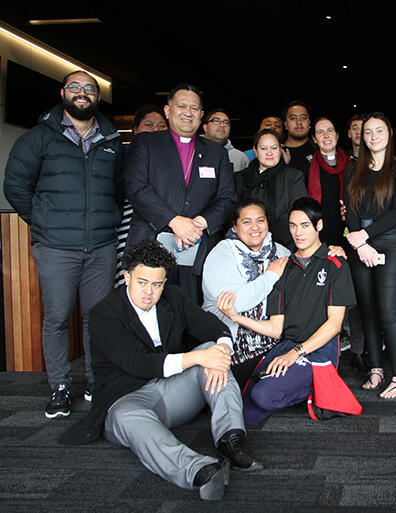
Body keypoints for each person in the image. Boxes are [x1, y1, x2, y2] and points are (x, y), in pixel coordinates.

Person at [59, 240, 262, 501]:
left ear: (164, 283)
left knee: (214, 351)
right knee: (128, 417)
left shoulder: (173, 297)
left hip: (172, 393)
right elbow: (138, 362)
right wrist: (197, 357)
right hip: (125, 399)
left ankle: (231, 441)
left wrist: (221, 348)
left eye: (157, 285)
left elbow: (211, 325)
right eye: (142, 282)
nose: (149, 293)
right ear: (127, 277)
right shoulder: (104, 314)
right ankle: (200, 470)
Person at [4, 70, 122, 417]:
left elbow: (117, 188)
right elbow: (15, 187)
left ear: (97, 97)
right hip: (56, 247)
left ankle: (94, 381)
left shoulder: (111, 138)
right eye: (76, 87)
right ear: (63, 92)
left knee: (95, 319)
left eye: (90, 89)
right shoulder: (39, 137)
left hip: (101, 245)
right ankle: (58, 386)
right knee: (56, 317)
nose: (82, 93)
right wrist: (43, 223)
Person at [216, 197, 360, 424]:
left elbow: (334, 325)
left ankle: (314, 389)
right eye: (293, 226)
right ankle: (289, 383)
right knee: (244, 414)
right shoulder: (284, 268)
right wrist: (236, 317)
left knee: (263, 395)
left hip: (318, 353)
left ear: (318, 225)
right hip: (286, 347)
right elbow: (275, 329)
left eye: (304, 225)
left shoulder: (335, 264)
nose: (298, 233)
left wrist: (297, 353)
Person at [123, 82, 236, 304]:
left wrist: (198, 224)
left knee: (192, 313)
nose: (188, 113)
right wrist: (175, 221)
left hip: (197, 248)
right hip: (150, 242)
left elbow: (227, 197)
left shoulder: (216, 153)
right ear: (168, 110)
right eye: (182, 106)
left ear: (201, 115)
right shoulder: (146, 143)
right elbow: (136, 187)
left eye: (194, 108)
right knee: (148, 317)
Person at [344, 113, 396, 399]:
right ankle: (376, 369)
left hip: (391, 241)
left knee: (387, 310)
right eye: (367, 132)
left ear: (389, 134)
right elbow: (351, 208)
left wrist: (366, 238)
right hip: (360, 243)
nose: (373, 136)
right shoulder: (353, 169)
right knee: (367, 310)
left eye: (379, 130)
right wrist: (360, 244)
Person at [202, 199, 291, 388]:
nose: (255, 227)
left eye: (260, 220)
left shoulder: (281, 252)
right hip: (232, 345)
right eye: (246, 221)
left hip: (276, 341)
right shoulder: (222, 253)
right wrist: (270, 276)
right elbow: (235, 304)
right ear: (235, 226)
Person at [116, 105, 169, 288]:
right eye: (149, 124)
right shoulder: (123, 155)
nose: (155, 129)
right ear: (135, 130)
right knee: (129, 279)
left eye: (162, 125)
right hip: (129, 223)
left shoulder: (173, 161)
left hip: (163, 226)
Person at [233, 129, 308, 248]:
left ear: (280, 149)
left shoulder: (293, 177)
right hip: (244, 245)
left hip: (284, 245)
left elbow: (300, 215)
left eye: (274, 148)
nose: (269, 153)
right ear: (255, 150)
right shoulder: (240, 178)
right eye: (263, 148)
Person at [308, 116, 350, 246]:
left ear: (337, 135)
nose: (326, 136)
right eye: (320, 132)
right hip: (320, 230)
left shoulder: (352, 165)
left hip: (347, 229)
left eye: (330, 131)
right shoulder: (308, 168)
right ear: (314, 139)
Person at [202, 108, 250, 172]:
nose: (222, 125)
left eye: (226, 123)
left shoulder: (240, 158)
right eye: (216, 121)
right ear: (205, 127)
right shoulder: (193, 150)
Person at [283, 100, 315, 180]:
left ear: (309, 123)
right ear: (286, 124)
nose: (299, 122)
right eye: (293, 118)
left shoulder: (318, 150)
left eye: (303, 118)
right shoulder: (275, 150)